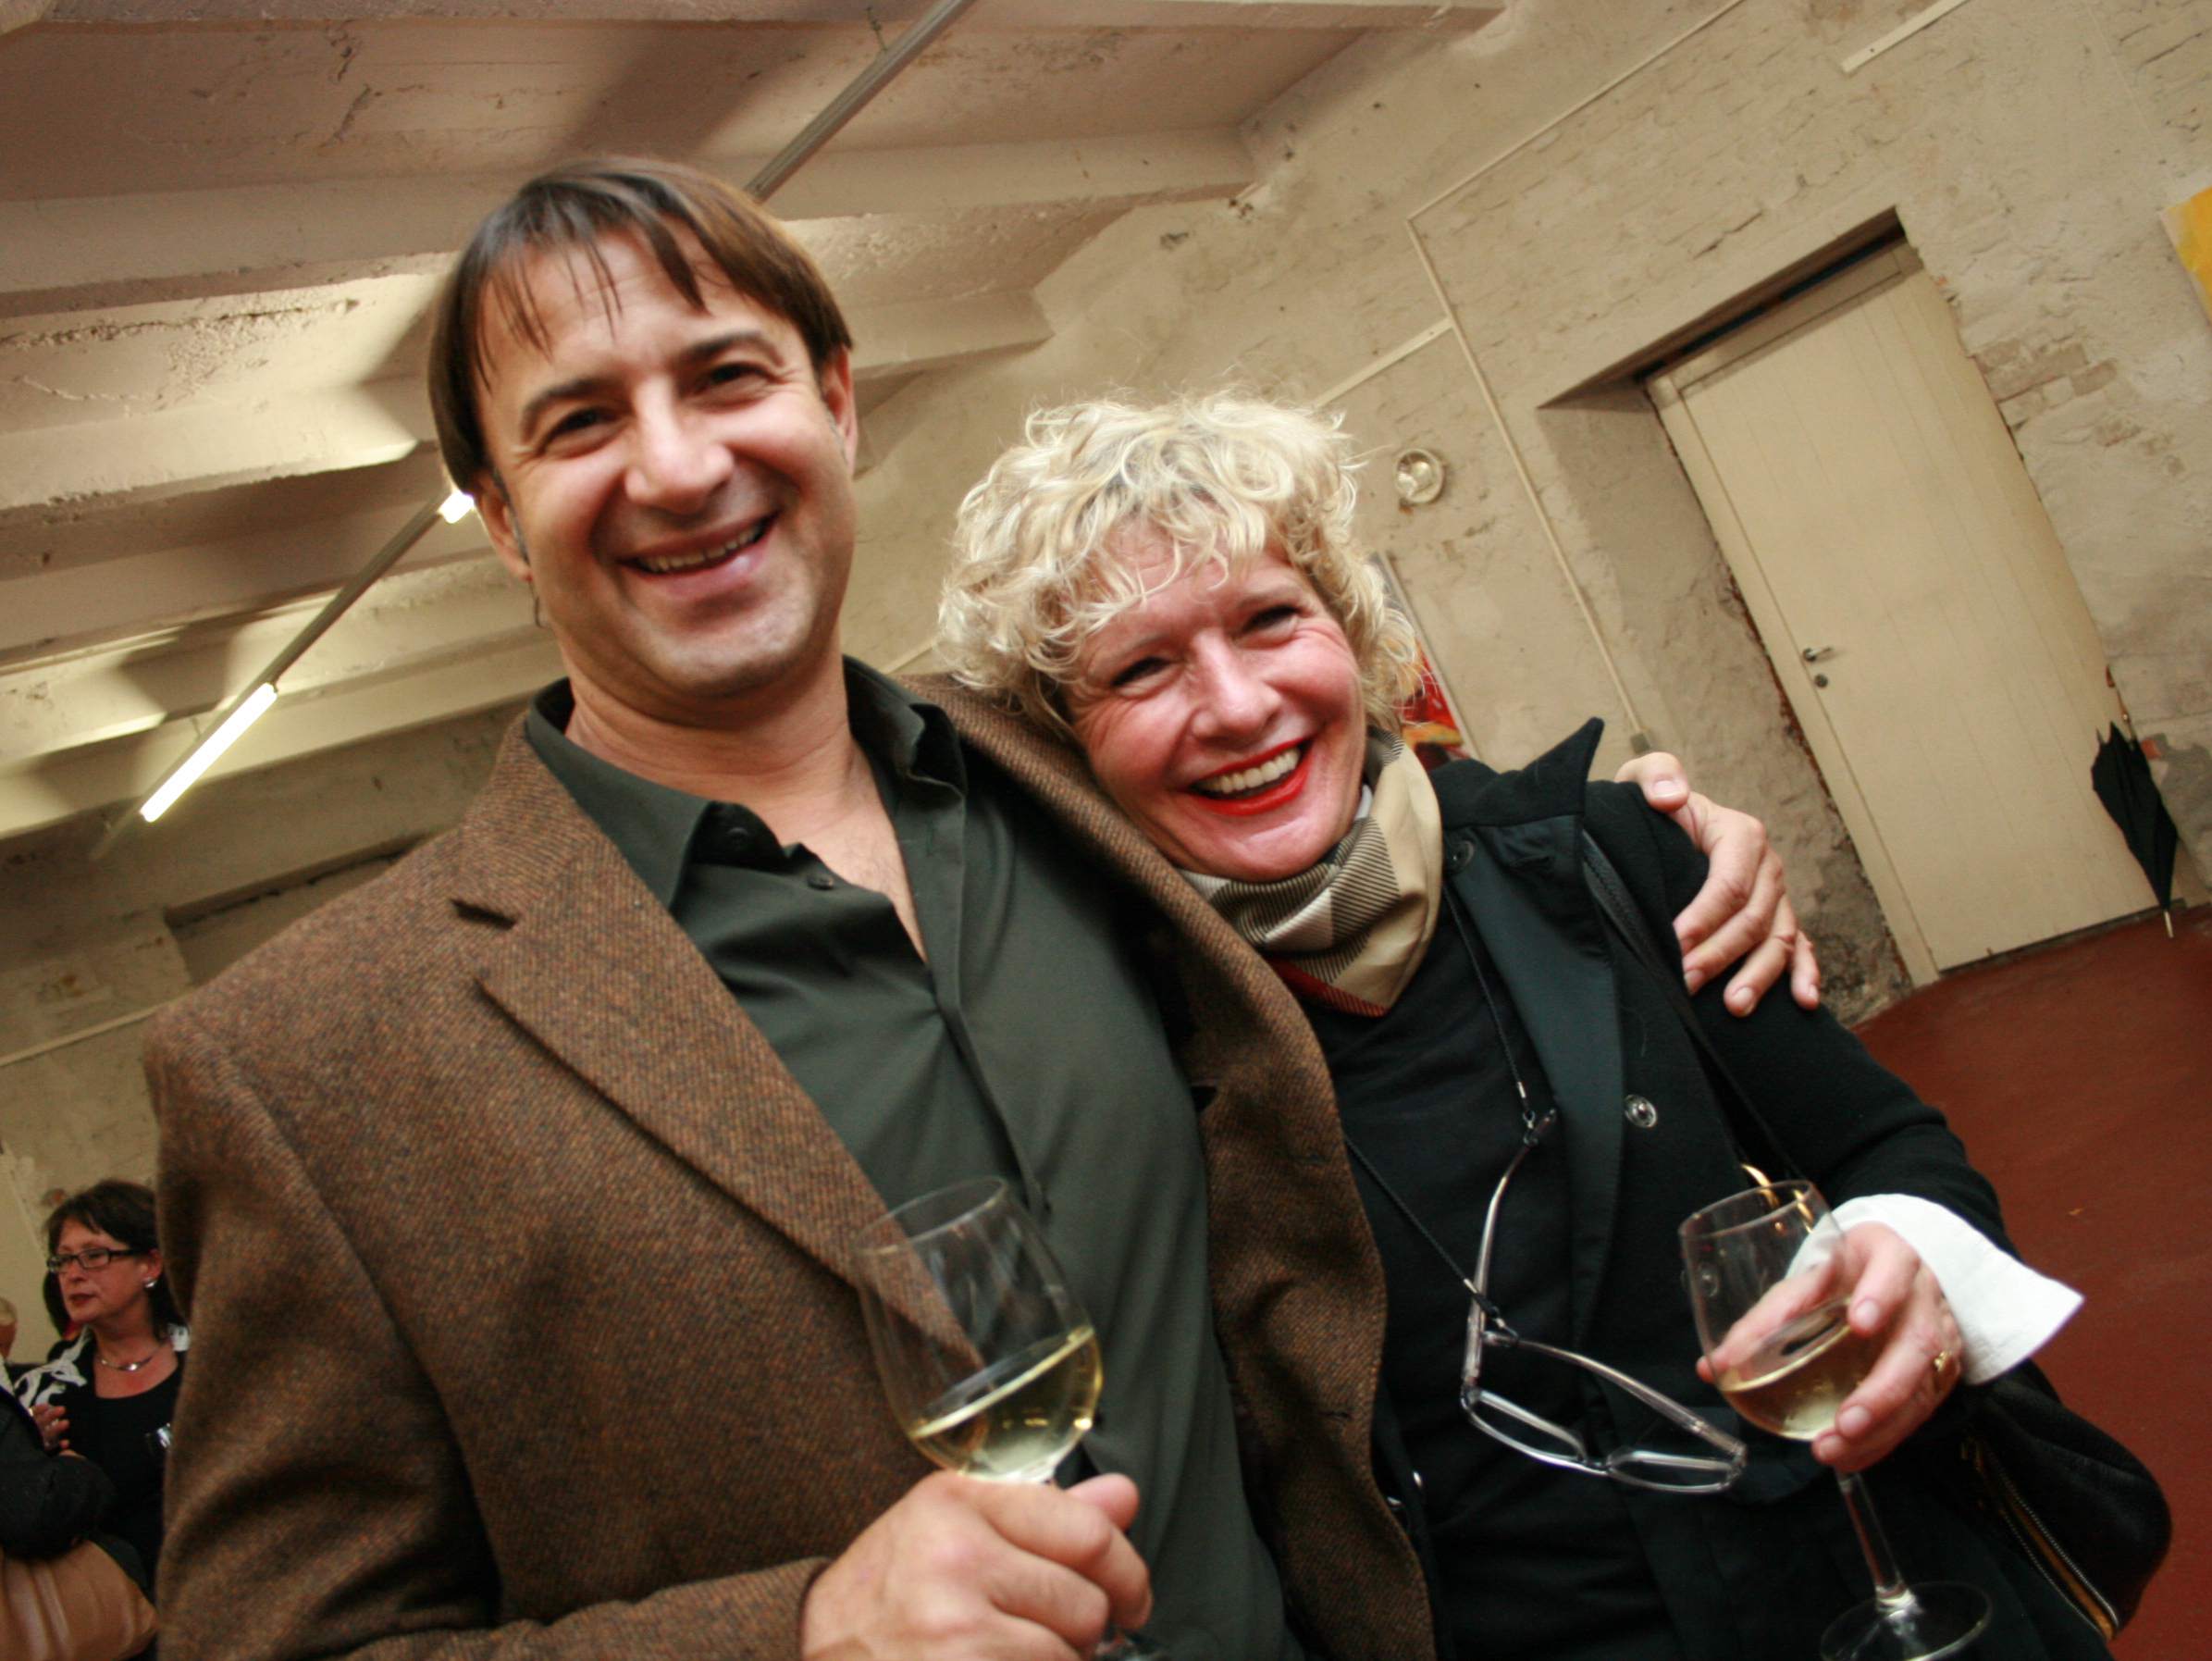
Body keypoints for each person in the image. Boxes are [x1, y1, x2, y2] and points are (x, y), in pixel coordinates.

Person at [149, 157, 1809, 1661]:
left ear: (837, 402)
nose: (678, 464)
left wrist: (1648, 832)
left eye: (726, 376)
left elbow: (1338, 798)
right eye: (579, 422)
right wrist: (800, 1633)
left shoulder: (1052, 768)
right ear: (502, 518)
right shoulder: (316, 1060)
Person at [933, 390, 2107, 1660]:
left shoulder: (1608, 859)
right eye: (1141, 668)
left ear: (1350, 632)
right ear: (1065, 745)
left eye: (1270, 618)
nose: (1235, 704)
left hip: (1863, 1596)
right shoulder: (1114, 1045)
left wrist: (1909, 1262)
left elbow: (1892, 1147)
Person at [13, 1180, 188, 1595]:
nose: (73, 1275)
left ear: (150, 1265)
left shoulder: (215, 1354)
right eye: (63, 1260)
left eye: (94, 1256)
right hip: (140, 1610)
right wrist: (30, 1456)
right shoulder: (44, 1393)